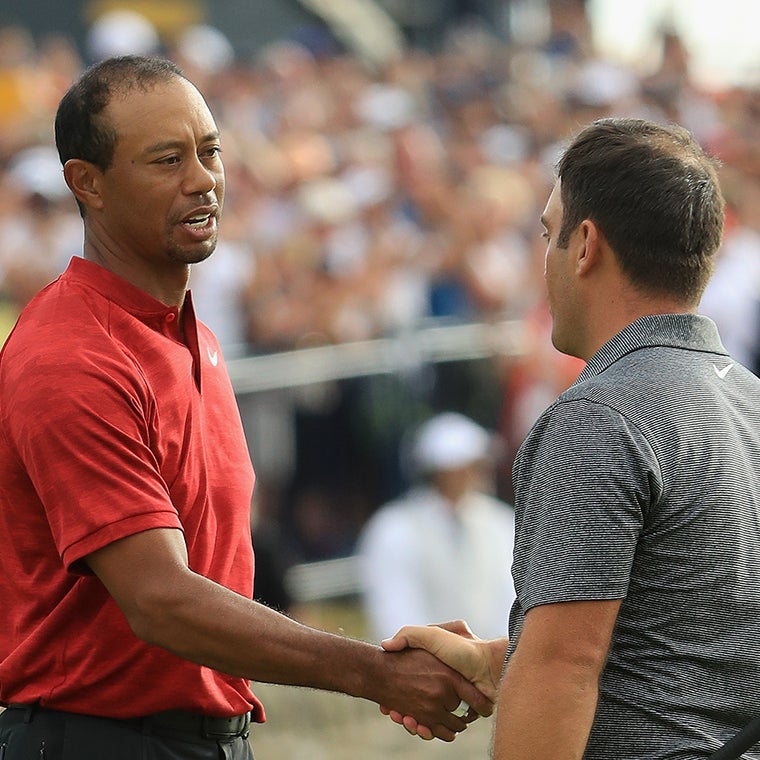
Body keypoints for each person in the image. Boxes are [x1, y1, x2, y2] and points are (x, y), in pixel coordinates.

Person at [0, 55, 492, 760]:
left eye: (210, 151)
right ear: (88, 183)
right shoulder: (70, 355)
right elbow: (161, 598)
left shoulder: (190, 334)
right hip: (96, 740)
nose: (201, 179)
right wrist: (375, 673)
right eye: (167, 160)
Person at [382, 117, 760, 759]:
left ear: (585, 246)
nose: (545, 258)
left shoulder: (599, 417)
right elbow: (683, 645)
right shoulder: (748, 397)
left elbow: (563, 669)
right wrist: (497, 658)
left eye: (548, 234)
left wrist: (535, 659)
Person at [357, 412, 516, 641]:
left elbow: (510, 599)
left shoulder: (500, 522)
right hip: (421, 668)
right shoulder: (394, 529)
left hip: (494, 665)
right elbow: (394, 611)